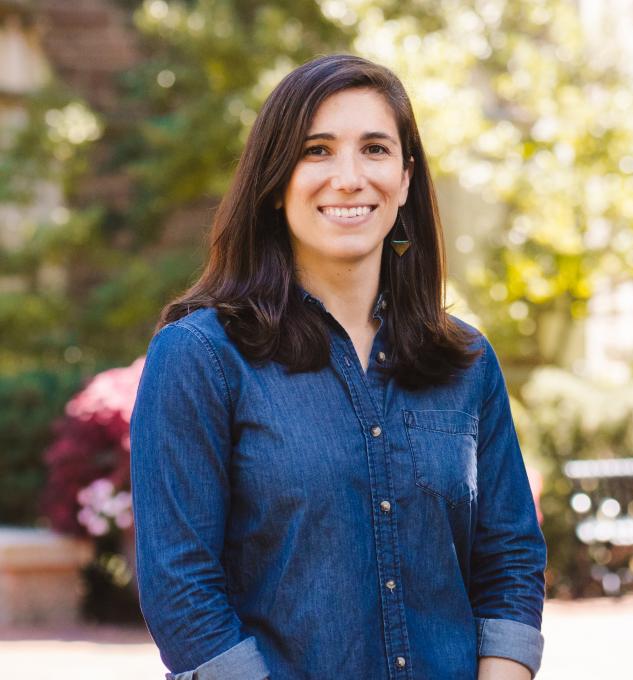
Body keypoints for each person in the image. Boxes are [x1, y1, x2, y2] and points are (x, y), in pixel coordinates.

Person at [130, 54, 546, 680]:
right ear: (275, 182)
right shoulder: (201, 357)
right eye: (317, 151)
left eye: (375, 150)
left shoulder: (465, 362)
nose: (349, 178)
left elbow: (510, 559)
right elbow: (180, 586)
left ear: (405, 179)